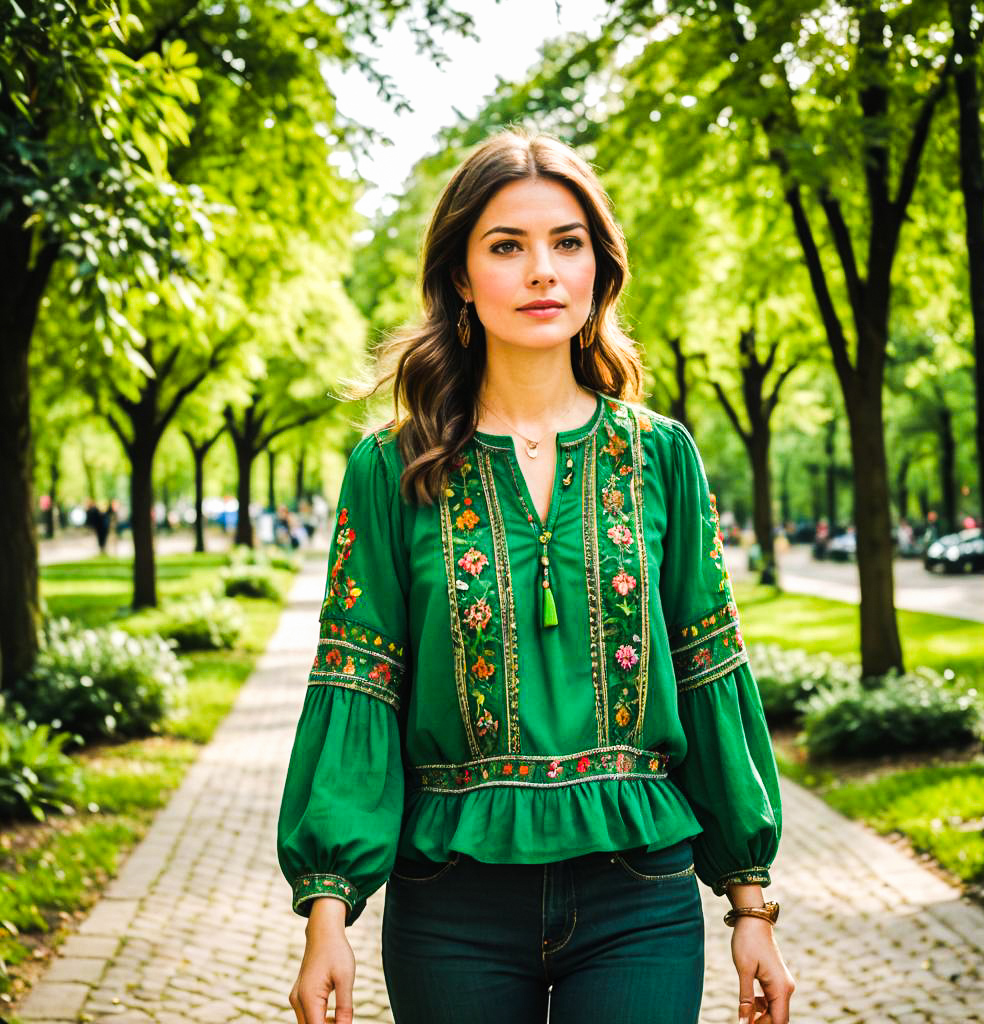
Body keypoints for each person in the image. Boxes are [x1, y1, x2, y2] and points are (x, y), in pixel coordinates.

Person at [277, 129, 793, 1024]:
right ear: (462, 279)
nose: (542, 270)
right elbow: (359, 681)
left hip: (640, 896)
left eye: (566, 243)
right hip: (450, 903)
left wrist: (751, 906)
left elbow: (709, 668)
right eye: (507, 246)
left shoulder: (661, 456)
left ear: (598, 269)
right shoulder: (392, 468)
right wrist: (329, 914)